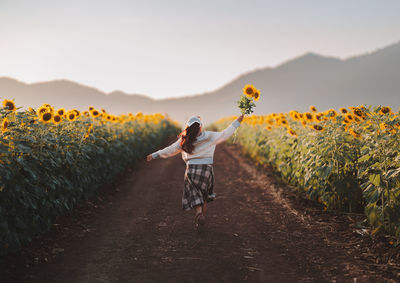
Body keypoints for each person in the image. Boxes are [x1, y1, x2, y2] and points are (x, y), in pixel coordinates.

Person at [146, 114, 244, 228]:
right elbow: (226, 133)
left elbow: (170, 149)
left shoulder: (184, 140)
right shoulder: (210, 136)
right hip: (206, 170)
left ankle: (198, 213)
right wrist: (238, 121)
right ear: (200, 128)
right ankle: (201, 220)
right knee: (204, 196)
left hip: (191, 170)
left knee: (194, 193)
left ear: (187, 128)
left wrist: (155, 154)